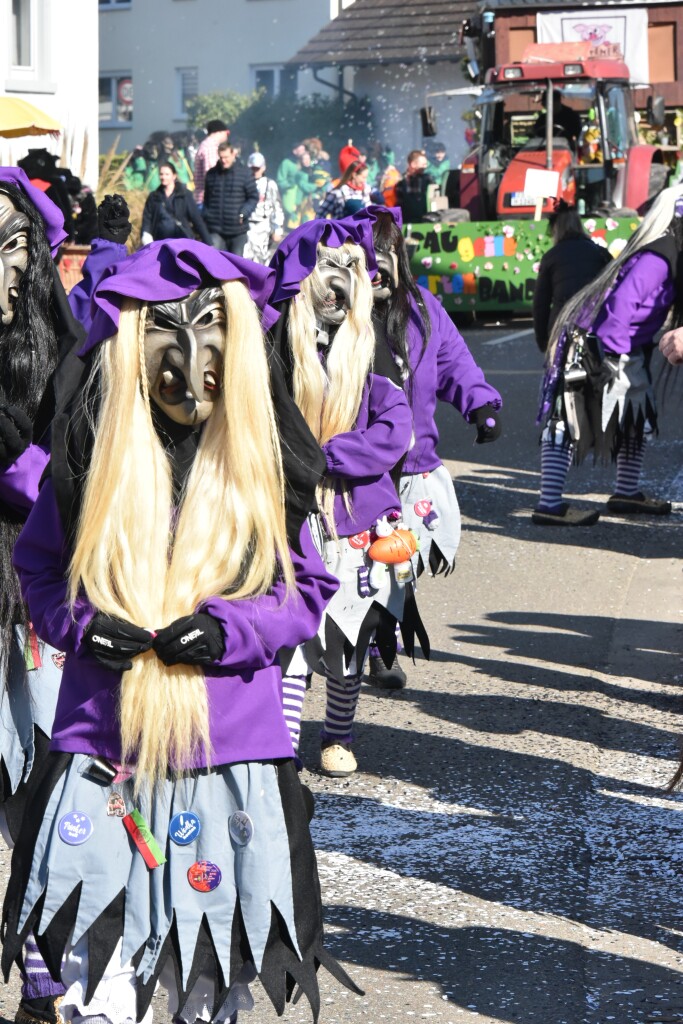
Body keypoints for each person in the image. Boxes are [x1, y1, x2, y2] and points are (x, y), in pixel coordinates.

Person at [1, 238, 361, 1024]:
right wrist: (83, 626)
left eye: (209, 326)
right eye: (164, 327)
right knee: (97, 977)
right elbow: (42, 570)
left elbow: (306, 593)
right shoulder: (87, 459)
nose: (188, 354)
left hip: (231, 758)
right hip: (103, 751)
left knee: (207, 985)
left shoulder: (264, 465)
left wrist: (233, 630)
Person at [269, 217, 415, 775]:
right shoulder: (280, 341)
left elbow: (394, 426)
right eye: (325, 271)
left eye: (348, 272)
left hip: (357, 518)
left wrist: (330, 457)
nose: (336, 286)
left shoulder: (370, 349)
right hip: (295, 514)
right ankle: (282, 746)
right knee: (290, 641)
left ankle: (338, 736)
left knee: (348, 639)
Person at [0, 166, 89, 1024]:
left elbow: (63, 470)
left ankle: (43, 972)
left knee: (40, 789)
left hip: (23, 602)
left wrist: (23, 471)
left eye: (15, 243)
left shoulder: (69, 351)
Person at [358, 206, 502, 688]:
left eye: (384, 255)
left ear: (399, 256)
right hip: (361, 468)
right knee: (362, 565)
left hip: (415, 467)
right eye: (367, 256)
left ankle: (383, 645)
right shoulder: (340, 314)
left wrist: (481, 405)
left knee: (401, 563)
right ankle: (362, 645)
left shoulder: (424, 309)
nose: (377, 267)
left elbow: (455, 361)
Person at [533, 185, 683, 526]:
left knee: (635, 416)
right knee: (568, 419)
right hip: (594, 342)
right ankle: (549, 504)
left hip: (618, 345)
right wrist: (612, 359)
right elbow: (620, 305)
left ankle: (626, 492)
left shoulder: (667, 255)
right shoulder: (658, 258)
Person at [533, 200, 612, 352]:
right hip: (594, 323)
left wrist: (543, 340)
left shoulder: (551, 257)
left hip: (562, 324)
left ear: (556, 229)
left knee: (559, 371)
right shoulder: (600, 253)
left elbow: (540, 304)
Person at [202, 143, 258, 256]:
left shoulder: (245, 173)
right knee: (214, 263)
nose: (223, 160)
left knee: (236, 267)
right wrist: (206, 216)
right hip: (215, 228)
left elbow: (253, 197)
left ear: (233, 154)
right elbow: (207, 199)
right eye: (221, 157)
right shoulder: (211, 174)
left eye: (226, 157)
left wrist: (244, 213)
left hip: (237, 230)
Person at [141, 161, 212, 245]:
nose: (163, 177)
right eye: (161, 174)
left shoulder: (185, 195)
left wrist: (209, 243)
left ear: (174, 176)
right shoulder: (153, 197)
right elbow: (147, 219)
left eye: (167, 174)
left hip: (182, 241)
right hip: (160, 242)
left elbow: (196, 219)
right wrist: (146, 235)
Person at [243, 152, 284, 265]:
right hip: (246, 226)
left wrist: (277, 230)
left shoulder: (270, 184)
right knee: (245, 257)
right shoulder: (243, 183)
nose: (255, 171)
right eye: (252, 168)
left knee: (262, 258)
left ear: (263, 167)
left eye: (257, 168)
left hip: (263, 226)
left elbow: (277, 207)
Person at [276, 143, 320, 231]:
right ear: (294, 151)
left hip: (312, 202)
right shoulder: (289, 164)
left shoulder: (314, 169)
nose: (302, 152)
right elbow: (282, 181)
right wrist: (289, 185)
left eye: (304, 150)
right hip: (298, 201)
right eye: (300, 151)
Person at [192, 119, 229, 207]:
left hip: (205, 198)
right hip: (208, 199)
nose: (227, 136)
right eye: (227, 133)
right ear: (219, 132)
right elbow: (212, 174)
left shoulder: (207, 145)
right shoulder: (210, 147)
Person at [395, 150, 435, 224]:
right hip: (406, 222)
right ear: (413, 164)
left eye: (426, 164)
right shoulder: (400, 182)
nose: (425, 167)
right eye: (423, 164)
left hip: (425, 221)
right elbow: (398, 203)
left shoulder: (428, 179)